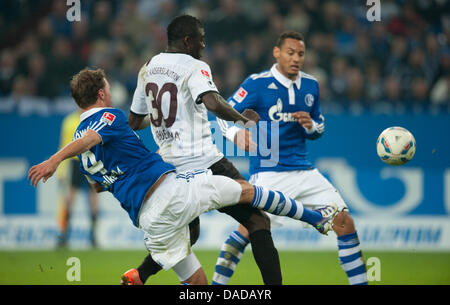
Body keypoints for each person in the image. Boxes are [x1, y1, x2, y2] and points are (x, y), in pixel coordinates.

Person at [27, 68, 339, 285]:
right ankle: (315, 218)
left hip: (151, 223)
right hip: (170, 193)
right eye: (108, 87)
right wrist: (53, 161)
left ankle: (140, 275)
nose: (111, 91)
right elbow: (94, 136)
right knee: (246, 191)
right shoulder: (109, 116)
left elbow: (98, 185)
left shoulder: (86, 158)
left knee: (195, 281)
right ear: (100, 93)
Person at [121, 14, 332, 285]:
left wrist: (167, 116)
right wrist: (243, 121)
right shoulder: (195, 66)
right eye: (201, 40)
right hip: (205, 161)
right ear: (188, 41)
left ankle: (140, 274)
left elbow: (135, 121)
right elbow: (212, 101)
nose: (204, 46)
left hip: (169, 168)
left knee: (189, 234)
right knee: (258, 221)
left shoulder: (148, 67)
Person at [214, 31, 368, 285]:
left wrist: (311, 127)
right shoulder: (256, 84)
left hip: (304, 171)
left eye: (300, 54)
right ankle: (215, 286)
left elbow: (319, 127)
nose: (296, 58)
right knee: (249, 228)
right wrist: (233, 134)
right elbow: (221, 112)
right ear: (277, 53)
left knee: (344, 222)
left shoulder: (311, 85)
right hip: (268, 172)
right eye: (290, 52)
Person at [56, 110, 99, 248]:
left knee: (93, 199)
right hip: (74, 163)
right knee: (69, 200)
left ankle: (93, 236)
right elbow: (63, 145)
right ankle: (64, 235)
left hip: (91, 161)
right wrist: (61, 170)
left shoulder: (92, 119)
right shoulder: (69, 121)